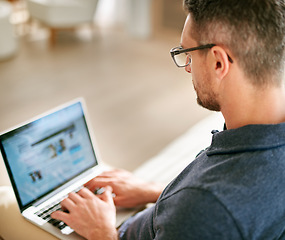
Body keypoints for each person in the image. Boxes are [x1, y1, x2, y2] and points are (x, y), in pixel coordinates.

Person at [51, 0, 285, 239]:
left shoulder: (206, 206)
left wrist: (100, 231)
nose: (187, 68)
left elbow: (209, 211)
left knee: (9, 202)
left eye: (188, 53)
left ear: (218, 62)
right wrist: (156, 192)